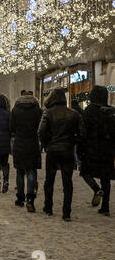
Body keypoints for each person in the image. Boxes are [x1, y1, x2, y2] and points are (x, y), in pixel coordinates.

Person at [38, 88, 85, 221]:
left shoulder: (48, 113)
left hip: (53, 150)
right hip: (67, 151)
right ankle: (66, 213)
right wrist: (72, 141)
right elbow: (82, 134)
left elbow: (41, 132)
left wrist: (47, 143)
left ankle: (48, 207)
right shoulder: (74, 114)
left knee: (49, 180)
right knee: (67, 182)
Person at [78, 86, 114, 217]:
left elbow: (83, 132)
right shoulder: (111, 111)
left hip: (92, 148)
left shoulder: (89, 111)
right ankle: (105, 207)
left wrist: (80, 149)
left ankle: (96, 189)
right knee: (106, 178)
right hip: (108, 150)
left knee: (85, 172)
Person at [10, 91, 42, 212]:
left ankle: (20, 198)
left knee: (20, 172)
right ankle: (30, 199)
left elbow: (11, 127)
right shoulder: (38, 111)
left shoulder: (15, 110)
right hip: (33, 143)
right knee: (31, 171)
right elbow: (41, 127)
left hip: (19, 143)